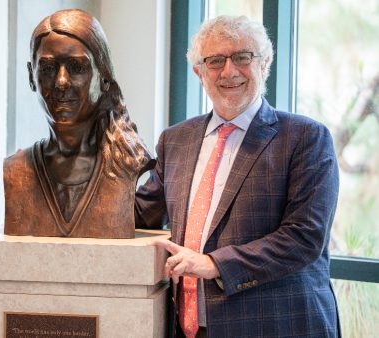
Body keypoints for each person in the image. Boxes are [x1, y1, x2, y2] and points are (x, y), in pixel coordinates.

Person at [135, 15, 340, 338]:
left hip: (275, 325)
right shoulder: (176, 140)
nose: (229, 71)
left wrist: (215, 264)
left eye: (242, 57)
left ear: (265, 63)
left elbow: (304, 237)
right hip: (189, 326)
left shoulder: (305, 138)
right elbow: (138, 210)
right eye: (215, 60)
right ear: (199, 72)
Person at [3, 9, 153, 239]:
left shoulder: (129, 163)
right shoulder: (16, 170)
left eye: (77, 67)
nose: (61, 82)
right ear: (30, 76)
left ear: (104, 78)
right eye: (48, 68)